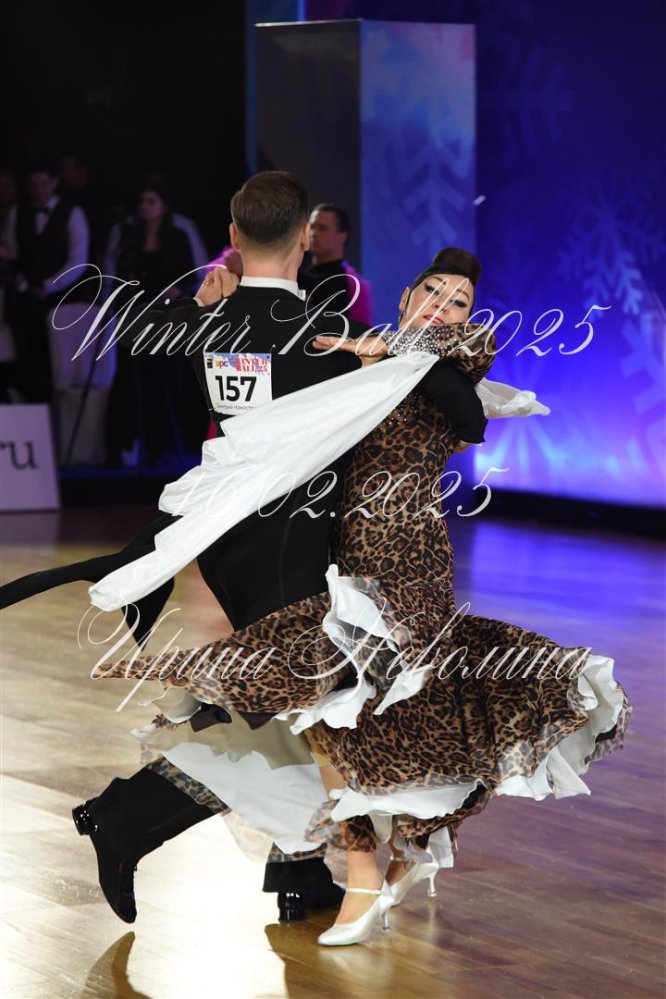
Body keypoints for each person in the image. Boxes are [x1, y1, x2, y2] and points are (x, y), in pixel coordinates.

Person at [92, 246, 630, 947]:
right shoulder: (353, 354)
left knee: (341, 717)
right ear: (404, 296)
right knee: (329, 717)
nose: (443, 305)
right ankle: (384, 855)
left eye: (460, 300)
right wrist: (214, 312)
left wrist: (388, 349)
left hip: (403, 568)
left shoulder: (447, 361)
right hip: (333, 560)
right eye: (432, 291)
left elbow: (467, 388)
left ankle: (363, 874)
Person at [3, 175, 482, 923]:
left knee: (300, 712)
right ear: (305, 239)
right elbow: (461, 414)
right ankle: (127, 817)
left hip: (235, 543)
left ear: (232, 234)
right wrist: (390, 351)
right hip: (289, 544)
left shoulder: (207, 318)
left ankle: (294, 867)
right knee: (312, 710)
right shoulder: (320, 333)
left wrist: (204, 304)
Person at [299, 203, 373, 324]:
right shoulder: (301, 275)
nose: (313, 233)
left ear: (342, 236)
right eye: (311, 227)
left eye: (322, 228)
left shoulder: (352, 284)